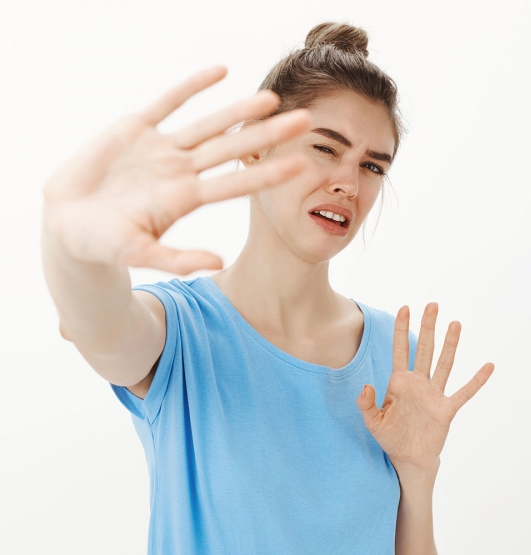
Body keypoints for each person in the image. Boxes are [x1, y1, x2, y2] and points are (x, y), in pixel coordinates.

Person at [42, 22, 494, 555]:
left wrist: (418, 477)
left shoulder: (396, 359)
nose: (349, 184)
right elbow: (101, 325)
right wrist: (70, 244)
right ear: (256, 149)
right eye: (327, 149)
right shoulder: (180, 333)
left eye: (372, 166)